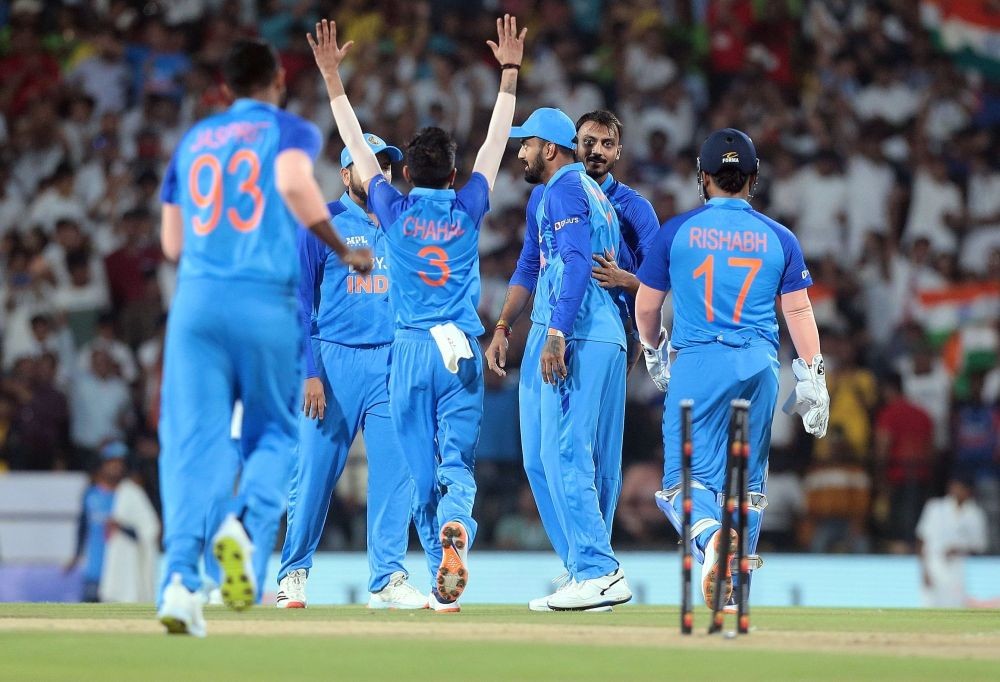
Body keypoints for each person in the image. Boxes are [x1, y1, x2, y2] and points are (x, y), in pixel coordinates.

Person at [156, 37, 372, 637]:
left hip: (195, 303)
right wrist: (339, 247)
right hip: (263, 301)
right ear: (276, 80)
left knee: (193, 446)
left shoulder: (194, 140)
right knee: (274, 434)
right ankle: (245, 528)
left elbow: (172, 245)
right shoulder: (289, 130)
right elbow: (296, 184)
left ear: (223, 86)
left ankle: (177, 581)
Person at [309, 15, 525, 612]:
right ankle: (454, 546)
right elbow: (495, 144)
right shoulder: (469, 205)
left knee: (417, 469)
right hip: (460, 348)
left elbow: (354, 144)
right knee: (454, 461)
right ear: (453, 175)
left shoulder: (392, 211)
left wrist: (333, 79)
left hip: (405, 352)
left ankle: (439, 562)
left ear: (403, 174)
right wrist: (509, 74)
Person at [635, 128, 829, 609]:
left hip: (698, 364)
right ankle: (734, 581)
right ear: (753, 178)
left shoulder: (675, 232)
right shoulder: (779, 237)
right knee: (747, 479)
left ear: (703, 178)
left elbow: (646, 306)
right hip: (760, 366)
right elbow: (800, 312)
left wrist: (653, 348)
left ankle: (711, 544)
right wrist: (814, 378)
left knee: (685, 479)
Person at [484, 109, 657, 611]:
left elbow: (581, 263)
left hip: (581, 330)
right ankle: (583, 565)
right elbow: (531, 266)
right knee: (544, 458)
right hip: (571, 328)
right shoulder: (578, 194)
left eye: (527, 143)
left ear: (551, 148)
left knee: (572, 455)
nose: (520, 152)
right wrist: (503, 325)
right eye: (589, 141)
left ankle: (596, 567)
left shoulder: (573, 192)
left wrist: (558, 332)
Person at [275, 133, 429, 610]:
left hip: (391, 360)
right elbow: (299, 303)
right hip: (333, 362)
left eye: (384, 165)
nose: (378, 173)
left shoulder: (401, 220)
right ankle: (293, 573)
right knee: (315, 473)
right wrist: (309, 371)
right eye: (368, 165)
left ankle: (387, 577)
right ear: (346, 174)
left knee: (395, 470)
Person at [98, 442, 161, 603]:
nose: (115, 467)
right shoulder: (121, 491)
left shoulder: (131, 491)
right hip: (110, 561)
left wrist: (120, 526)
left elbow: (150, 530)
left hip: (132, 564)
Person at [65, 442, 128, 602]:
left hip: (120, 572)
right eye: (112, 462)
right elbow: (83, 526)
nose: (116, 467)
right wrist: (76, 554)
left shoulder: (129, 495)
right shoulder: (91, 494)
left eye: (119, 463)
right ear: (103, 465)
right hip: (94, 569)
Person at [916, 479, 988, 607]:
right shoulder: (935, 507)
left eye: (960, 488)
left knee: (955, 605)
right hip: (934, 562)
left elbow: (979, 545)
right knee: (929, 604)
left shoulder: (974, 513)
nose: (955, 491)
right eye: (954, 487)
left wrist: (959, 549)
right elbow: (922, 538)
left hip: (958, 566)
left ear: (967, 491)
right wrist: (924, 570)